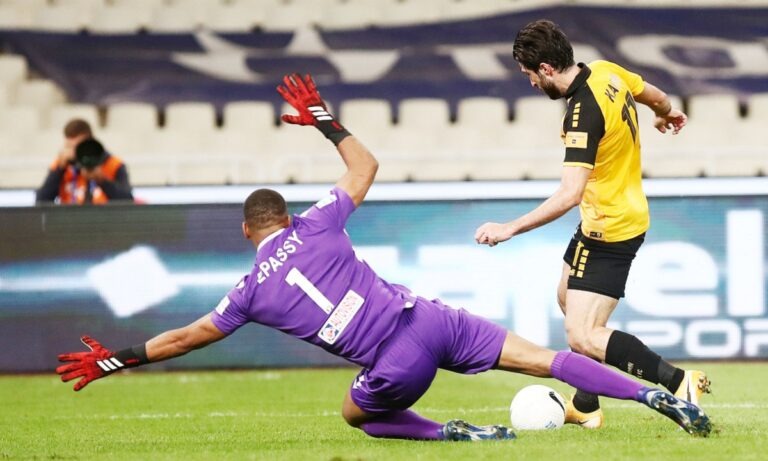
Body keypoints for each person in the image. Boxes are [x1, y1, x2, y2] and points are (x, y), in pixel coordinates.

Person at [56, 74, 711, 441]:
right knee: (547, 357)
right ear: (285, 216)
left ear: (247, 231)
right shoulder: (317, 222)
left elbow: (186, 337)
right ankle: (658, 396)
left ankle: (452, 433)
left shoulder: (247, 291)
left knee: (357, 415)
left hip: (395, 365)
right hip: (429, 318)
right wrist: (323, 119)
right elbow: (365, 166)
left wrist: (118, 357)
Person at [473, 19, 710, 429]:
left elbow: (569, 193)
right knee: (566, 296)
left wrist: (510, 228)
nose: (531, 83)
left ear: (546, 68)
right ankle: (585, 403)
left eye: (530, 74)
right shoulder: (604, 70)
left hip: (609, 226)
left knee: (583, 334)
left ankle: (678, 382)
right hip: (611, 216)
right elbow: (655, 95)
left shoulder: (582, 113)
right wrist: (666, 113)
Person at [36, 119, 133, 204]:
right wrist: (58, 171)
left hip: (105, 218)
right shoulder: (61, 165)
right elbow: (41, 201)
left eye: (78, 147)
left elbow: (128, 201)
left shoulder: (114, 164)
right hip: (69, 218)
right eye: (69, 147)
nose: (73, 152)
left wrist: (102, 180)